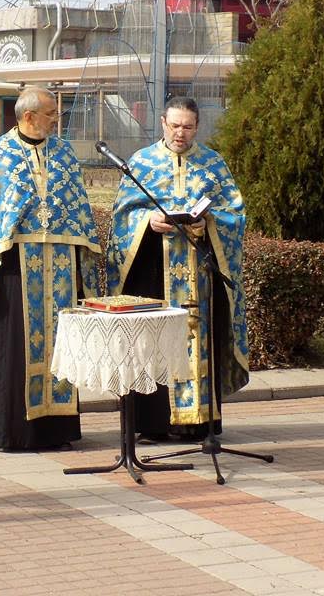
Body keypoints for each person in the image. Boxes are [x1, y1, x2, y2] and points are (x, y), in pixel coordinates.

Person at [0, 87, 101, 452]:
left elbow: (78, 208)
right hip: (14, 266)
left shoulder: (63, 153)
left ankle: (56, 431)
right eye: (51, 112)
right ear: (29, 115)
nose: (56, 118)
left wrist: (83, 264)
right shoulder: (0, 154)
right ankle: (12, 431)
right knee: (12, 346)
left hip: (61, 265)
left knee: (60, 346)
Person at [106, 96, 249, 443]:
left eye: (187, 127)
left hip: (200, 275)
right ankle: (153, 422)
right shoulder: (141, 163)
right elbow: (121, 218)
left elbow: (235, 215)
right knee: (153, 341)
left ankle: (198, 422)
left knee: (200, 339)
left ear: (197, 126)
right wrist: (147, 220)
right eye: (174, 126)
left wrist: (208, 224)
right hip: (154, 271)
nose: (180, 133)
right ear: (162, 123)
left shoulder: (213, 165)